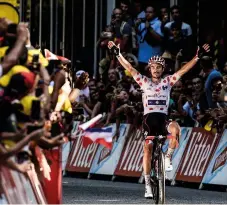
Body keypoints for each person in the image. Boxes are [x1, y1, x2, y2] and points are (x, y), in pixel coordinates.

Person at [107, 40, 210, 198]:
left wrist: (197, 57)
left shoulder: (167, 82)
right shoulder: (144, 81)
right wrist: (118, 54)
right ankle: (147, 184)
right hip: (149, 120)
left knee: (175, 128)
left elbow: (182, 71)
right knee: (147, 148)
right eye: (153, 67)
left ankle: (168, 157)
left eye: (158, 67)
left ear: (163, 69)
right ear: (149, 69)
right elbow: (129, 67)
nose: (155, 70)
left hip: (163, 120)